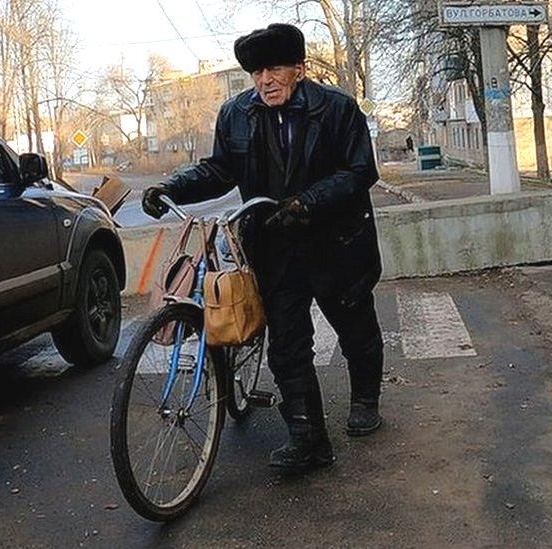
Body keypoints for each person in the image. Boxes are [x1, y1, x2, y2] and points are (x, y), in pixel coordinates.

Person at [142, 23, 384, 471]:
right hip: (274, 246)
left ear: (299, 69)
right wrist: (170, 187)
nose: (264, 80)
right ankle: (308, 440)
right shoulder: (236, 113)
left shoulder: (337, 109)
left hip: (335, 243)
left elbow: (358, 172)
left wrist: (306, 203)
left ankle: (366, 399)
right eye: (256, 72)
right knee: (288, 345)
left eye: (274, 69)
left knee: (355, 326)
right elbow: (218, 169)